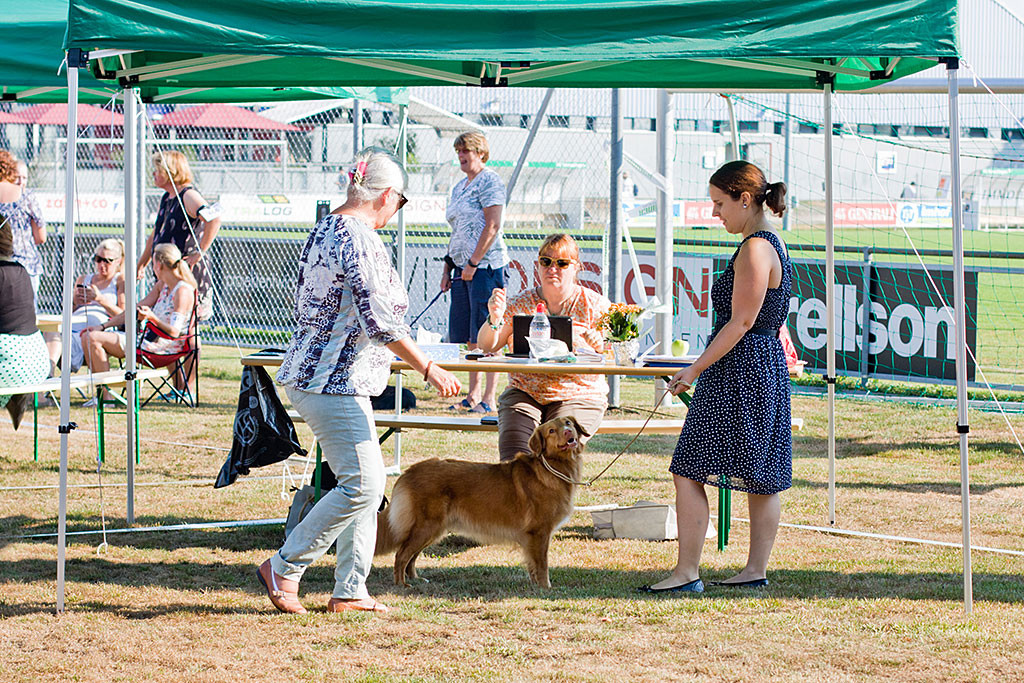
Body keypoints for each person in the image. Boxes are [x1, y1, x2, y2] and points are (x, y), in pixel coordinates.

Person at [258, 148, 461, 616]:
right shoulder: (359, 237)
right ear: (387, 195)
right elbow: (380, 321)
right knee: (366, 487)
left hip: (334, 376)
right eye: (401, 201)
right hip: (333, 379)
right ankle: (285, 566)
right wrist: (428, 367)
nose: (398, 209)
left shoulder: (327, 227)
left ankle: (350, 588)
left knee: (362, 481)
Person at [643, 160, 791, 595]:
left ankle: (688, 571)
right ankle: (754, 570)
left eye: (719, 203)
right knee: (762, 473)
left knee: (688, 468)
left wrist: (693, 369)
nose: (714, 213)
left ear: (745, 200)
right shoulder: (770, 244)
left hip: (741, 371)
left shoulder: (755, 248)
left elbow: (741, 321)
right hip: (761, 368)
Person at [476, 233, 611, 461]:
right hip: (525, 392)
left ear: (576, 267)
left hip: (578, 393)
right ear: (538, 265)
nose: (552, 268)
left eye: (562, 263)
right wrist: (494, 317)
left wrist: (600, 345)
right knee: (515, 461)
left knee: (558, 456)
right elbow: (487, 344)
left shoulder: (594, 304)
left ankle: (555, 498)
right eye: (545, 262)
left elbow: (618, 352)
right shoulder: (520, 302)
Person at [442, 131, 509, 414]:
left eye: (465, 150)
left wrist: (473, 262)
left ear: (480, 152)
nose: (461, 156)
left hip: (486, 267)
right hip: (462, 267)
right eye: (458, 151)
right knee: (470, 335)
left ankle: (490, 398)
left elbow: (492, 225)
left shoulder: (490, 180)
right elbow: (457, 230)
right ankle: (473, 395)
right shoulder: (459, 186)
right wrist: (450, 265)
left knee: (489, 331)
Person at [80, 243, 196, 403]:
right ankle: (103, 395)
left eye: (153, 263)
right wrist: (103, 326)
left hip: (163, 346)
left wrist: (152, 317)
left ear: (159, 265)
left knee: (93, 338)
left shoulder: (182, 291)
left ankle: (104, 397)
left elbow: (175, 332)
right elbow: (134, 309)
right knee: (90, 335)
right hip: (147, 339)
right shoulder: (162, 285)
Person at [137, 150, 220, 321]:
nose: (153, 173)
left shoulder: (188, 196)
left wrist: (200, 252)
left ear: (170, 171)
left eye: (157, 169)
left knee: (185, 323)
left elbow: (214, 218)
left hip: (185, 271)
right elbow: (155, 234)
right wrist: (142, 264)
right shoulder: (167, 197)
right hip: (167, 273)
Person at [46, 238, 126, 373]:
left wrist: (100, 299)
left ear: (118, 261)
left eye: (107, 260)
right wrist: (74, 302)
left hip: (99, 328)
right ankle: (48, 378)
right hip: (74, 322)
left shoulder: (119, 280)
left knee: (74, 338)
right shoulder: (84, 279)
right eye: (98, 259)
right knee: (49, 331)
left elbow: (123, 315)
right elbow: (69, 311)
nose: (102, 264)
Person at [0, 213, 50, 429]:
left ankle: (13, 396)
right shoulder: (21, 270)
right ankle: (14, 397)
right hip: (36, 360)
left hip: (9, 361)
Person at [0, 152, 46, 300]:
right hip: (26, 263)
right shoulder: (27, 196)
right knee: (27, 313)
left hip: (2, 261)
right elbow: (41, 237)